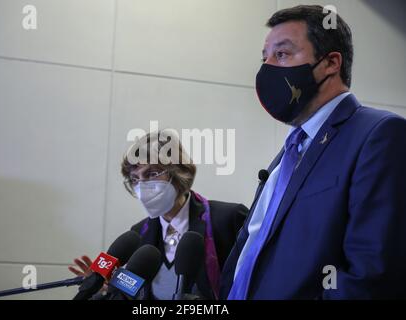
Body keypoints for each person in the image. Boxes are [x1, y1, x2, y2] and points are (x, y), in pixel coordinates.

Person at [221, 5, 406, 299]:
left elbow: (372, 275)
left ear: (331, 62)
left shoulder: (379, 135)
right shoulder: (289, 152)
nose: (266, 68)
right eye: (264, 57)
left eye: (282, 54)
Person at [69, 129, 248, 300]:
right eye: (135, 179)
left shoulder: (228, 219)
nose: (142, 186)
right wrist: (104, 288)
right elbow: (130, 291)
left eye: (151, 173)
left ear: (179, 172)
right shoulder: (138, 235)